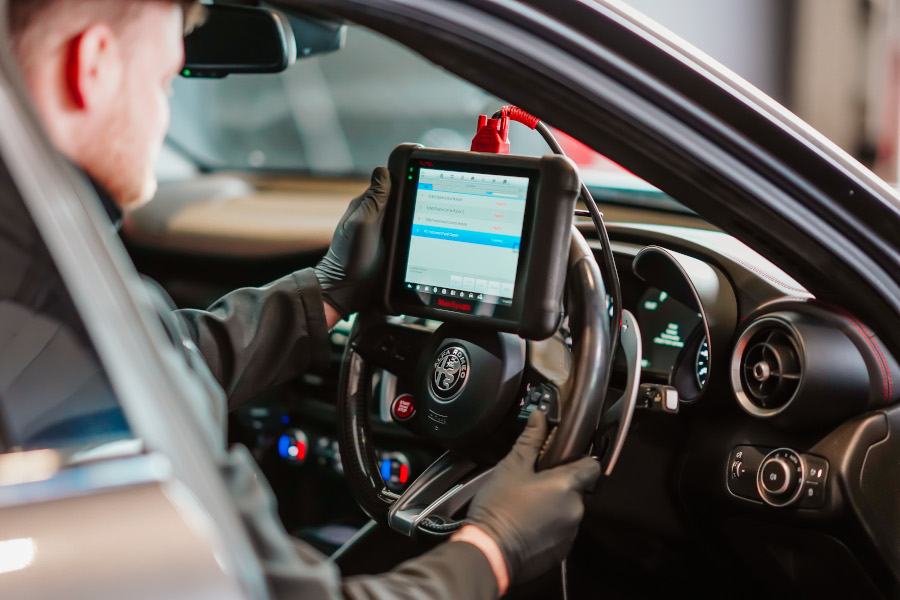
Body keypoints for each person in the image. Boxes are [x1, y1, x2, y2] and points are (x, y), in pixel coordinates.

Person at [5, 1, 602, 598]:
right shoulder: (60, 331)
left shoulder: (42, 284)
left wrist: (330, 291)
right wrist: (494, 548)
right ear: (96, 68)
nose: (163, 117)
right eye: (166, 82)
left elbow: (161, 355)